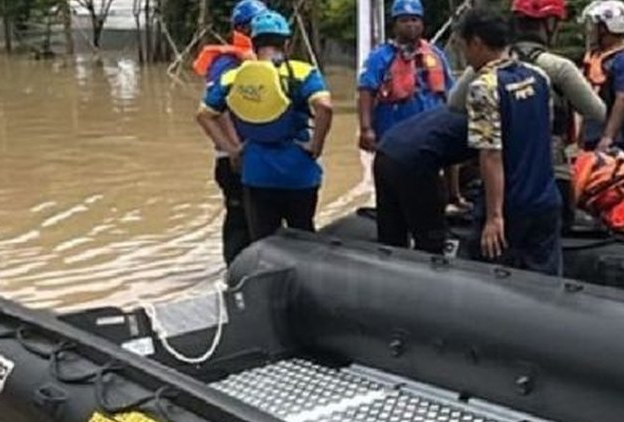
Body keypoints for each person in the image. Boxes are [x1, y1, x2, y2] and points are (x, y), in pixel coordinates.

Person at [449, 0, 605, 226]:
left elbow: (454, 104)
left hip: (500, 174)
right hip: (549, 172)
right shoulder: (557, 67)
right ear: (550, 24)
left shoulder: (487, 63)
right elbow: (597, 111)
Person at [197, 11, 334, 245]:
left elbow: (204, 115)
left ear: (254, 42)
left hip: (256, 171)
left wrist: (232, 149)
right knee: (304, 235)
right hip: (298, 170)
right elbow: (325, 107)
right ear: (287, 43)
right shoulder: (302, 72)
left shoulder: (233, 76)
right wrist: (316, 145)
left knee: (263, 243)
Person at [459, 6, 563, 274]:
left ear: (477, 43)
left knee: (494, 287)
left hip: (511, 205)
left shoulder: (484, 87)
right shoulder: (537, 76)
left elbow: (491, 154)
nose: (465, 55)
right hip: (545, 199)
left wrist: (494, 217)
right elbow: (546, 132)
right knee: (546, 281)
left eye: (464, 47)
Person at [191, 0, 267, 265]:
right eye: (257, 24)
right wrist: (235, 149)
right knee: (239, 216)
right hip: (235, 154)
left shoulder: (262, 58)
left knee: (261, 215)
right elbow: (215, 110)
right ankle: (235, 271)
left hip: (258, 152)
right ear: (243, 28)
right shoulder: (227, 62)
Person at [373, 107, 475, 254]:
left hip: (385, 151)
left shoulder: (450, 112)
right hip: (413, 163)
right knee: (431, 242)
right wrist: (494, 217)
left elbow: (449, 158)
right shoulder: (486, 127)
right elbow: (491, 164)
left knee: (391, 238)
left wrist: (454, 195)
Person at [356, 0, 454, 152]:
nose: (410, 24)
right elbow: (366, 91)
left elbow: (450, 92)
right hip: (394, 130)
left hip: (431, 130)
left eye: (414, 19)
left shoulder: (436, 55)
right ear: (395, 25)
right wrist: (365, 128)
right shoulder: (380, 56)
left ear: (422, 24)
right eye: (404, 20)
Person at [580, 0, 624, 153]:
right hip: (593, 130)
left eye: (596, 26)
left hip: (614, 135)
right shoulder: (598, 55)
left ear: (607, 27)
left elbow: (623, 98)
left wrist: (608, 137)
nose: (592, 30)